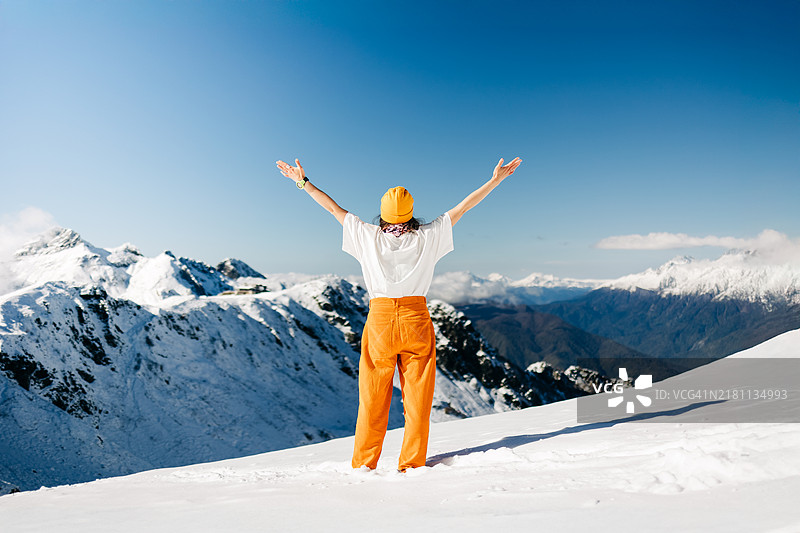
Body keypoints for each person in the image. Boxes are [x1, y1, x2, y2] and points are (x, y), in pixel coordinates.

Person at [275, 156, 522, 471]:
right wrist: (495, 181)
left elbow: (333, 209)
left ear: (382, 214)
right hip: (416, 319)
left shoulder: (367, 235)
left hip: (380, 321)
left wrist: (302, 182)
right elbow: (463, 208)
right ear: (410, 214)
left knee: (373, 397)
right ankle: (412, 464)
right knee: (418, 400)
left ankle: (364, 463)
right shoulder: (428, 235)